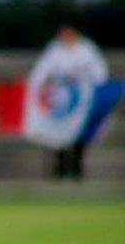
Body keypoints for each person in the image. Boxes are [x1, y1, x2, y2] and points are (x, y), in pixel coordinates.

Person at [26, 24, 120, 179]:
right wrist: (36, 87)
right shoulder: (55, 50)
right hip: (61, 99)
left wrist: (95, 87)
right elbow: (41, 71)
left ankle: (76, 167)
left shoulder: (87, 49)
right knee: (58, 134)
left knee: (79, 133)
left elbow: (98, 72)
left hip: (83, 99)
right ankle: (60, 167)